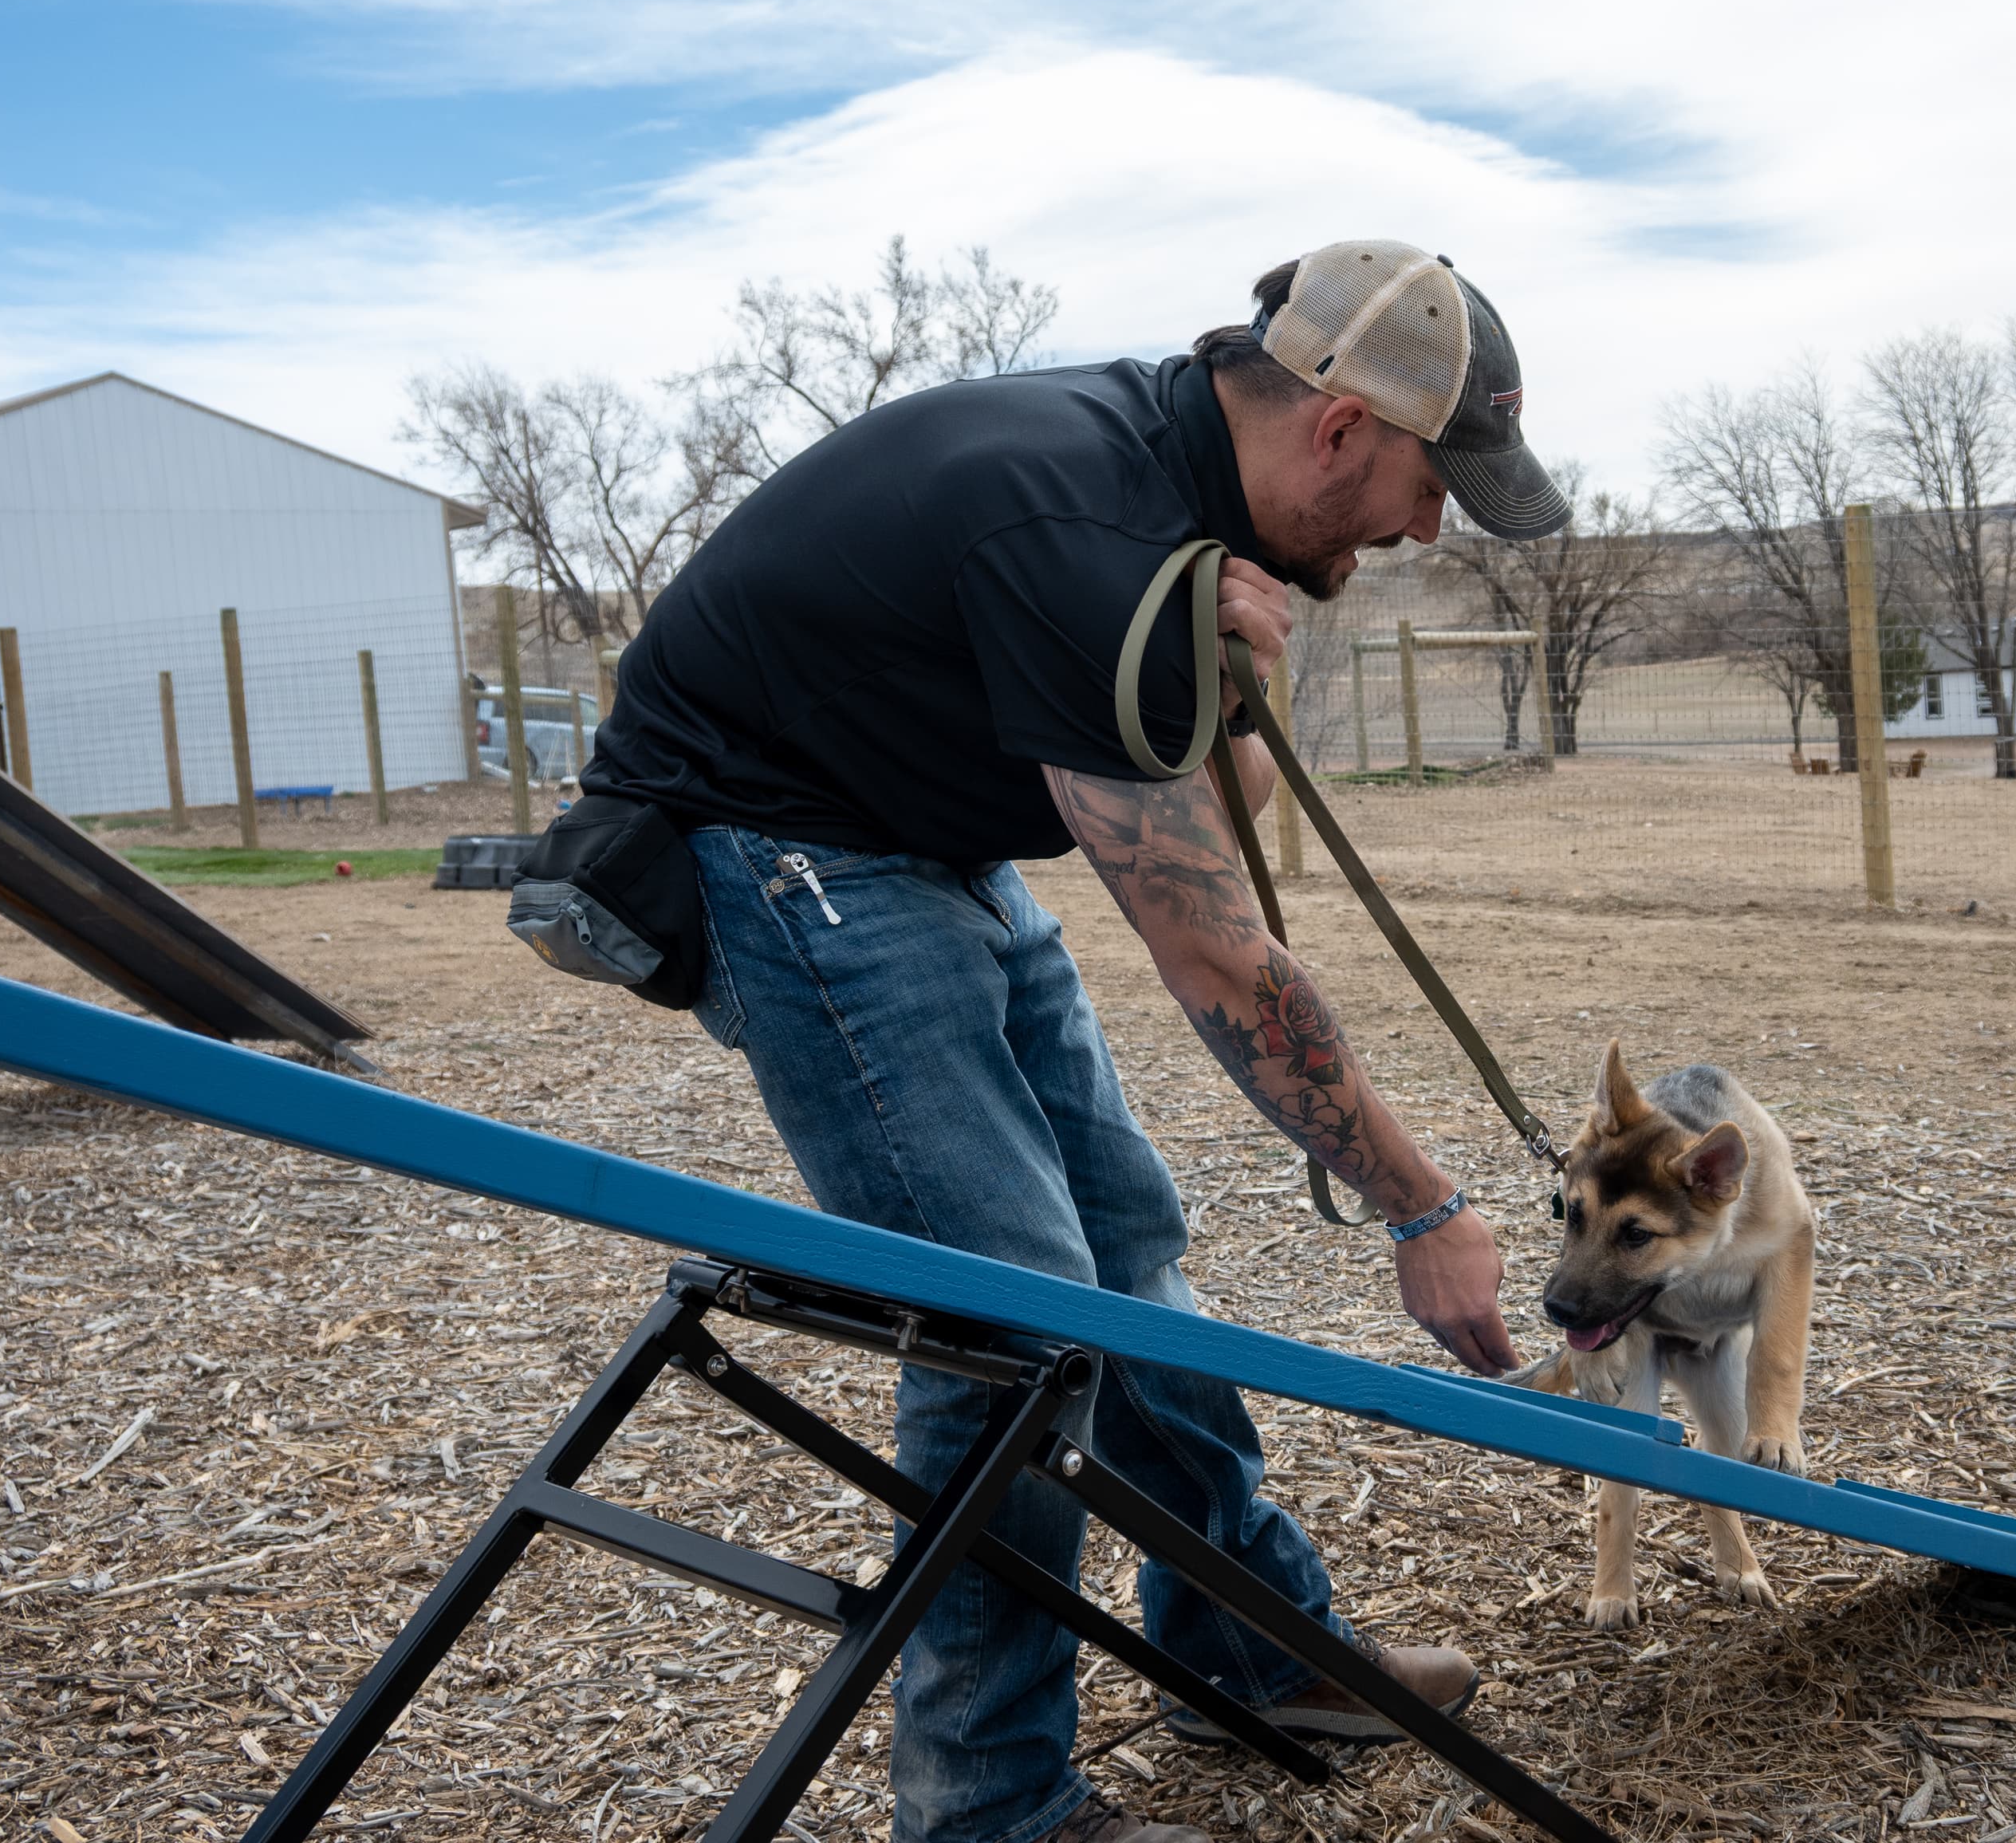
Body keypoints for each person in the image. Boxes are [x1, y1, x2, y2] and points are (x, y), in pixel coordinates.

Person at [586, 239, 1567, 1843]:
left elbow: (1216, 811)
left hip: (922, 844)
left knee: (1129, 1248)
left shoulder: (1180, 496)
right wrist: (1421, 1203)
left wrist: (1246, 677)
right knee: (1016, 1324)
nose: (1426, 523)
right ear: (1335, 429)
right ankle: (990, 1808)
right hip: (784, 854)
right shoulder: (1089, 530)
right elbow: (1218, 954)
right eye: (1425, 479)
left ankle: (1249, 1639)